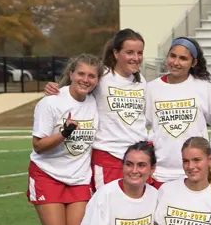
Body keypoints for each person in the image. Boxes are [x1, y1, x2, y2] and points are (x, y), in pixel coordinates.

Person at [31, 54, 102, 225]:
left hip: (79, 178)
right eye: (81, 74)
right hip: (48, 175)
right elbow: (38, 145)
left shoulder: (95, 102)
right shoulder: (51, 102)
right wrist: (64, 134)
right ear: (71, 73)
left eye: (91, 76)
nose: (86, 79)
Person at [44, 29, 148, 189]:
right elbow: (76, 88)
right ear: (116, 53)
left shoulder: (141, 81)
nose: (136, 58)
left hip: (138, 157)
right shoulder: (103, 75)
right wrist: (54, 88)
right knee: (108, 211)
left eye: (139, 53)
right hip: (109, 156)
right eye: (129, 52)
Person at [145, 37, 211, 186]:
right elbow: (143, 125)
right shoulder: (151, 88)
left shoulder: (204, 87)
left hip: (195, 172)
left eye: (183, 58)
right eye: (173, 56)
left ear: (193, 63)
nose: (176, 62)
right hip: (161, 172)